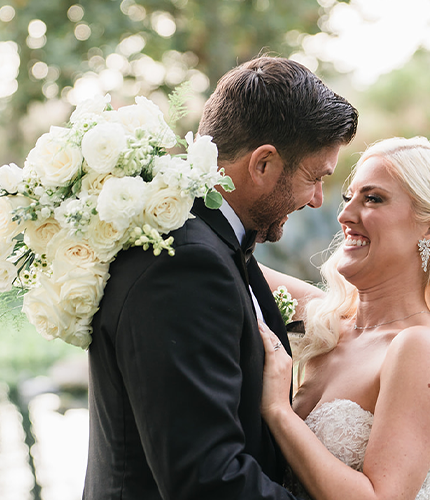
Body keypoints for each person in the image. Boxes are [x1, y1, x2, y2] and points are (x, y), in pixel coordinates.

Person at [82, 56, 358, 500]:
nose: (315, 200)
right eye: (315, 177)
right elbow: (206, 479)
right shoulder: (187, 263)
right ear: (263, 164)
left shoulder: (206, 243)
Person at [258, 137, 430, 500]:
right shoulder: (328, 321)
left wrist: (279, 411)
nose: (345, 215)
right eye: (350, 197)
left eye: (373, 198)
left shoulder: (419, 349)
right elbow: (224, 256)